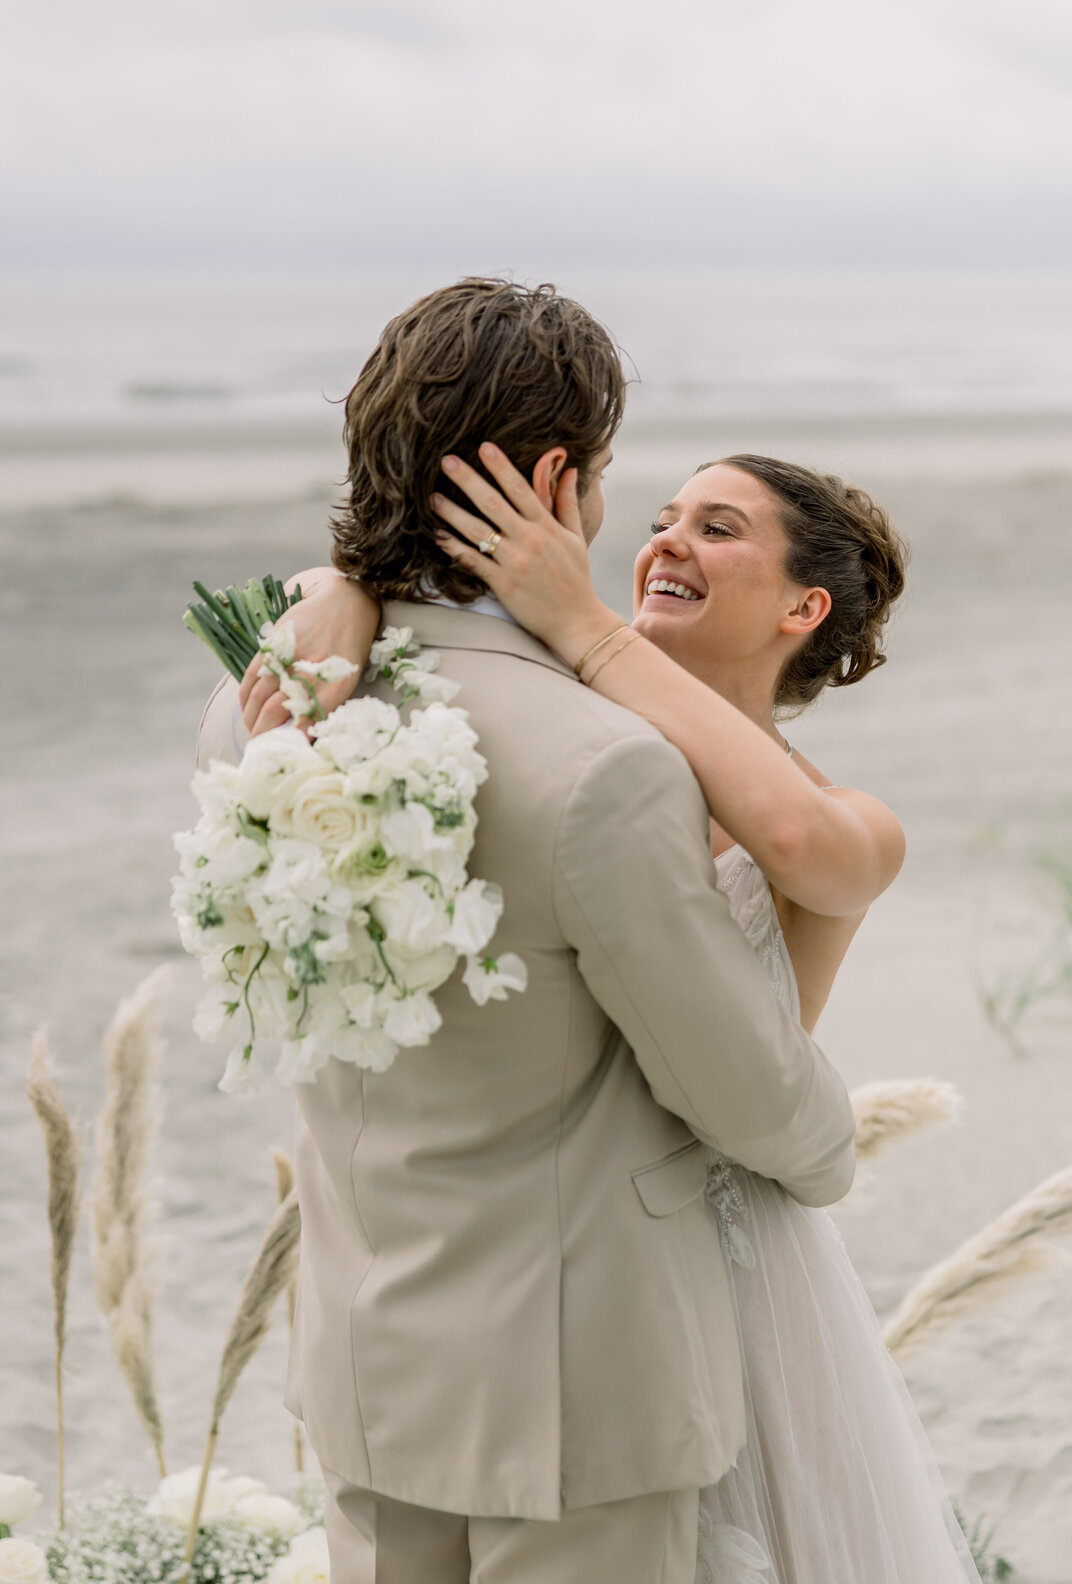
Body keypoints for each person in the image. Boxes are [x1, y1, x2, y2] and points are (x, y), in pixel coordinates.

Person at [196, 278, 858, 1584]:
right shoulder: (602, 767)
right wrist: (831, 1150)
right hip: (575, 1410)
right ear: (562, 481)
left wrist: (345, 577)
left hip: (367, 1368)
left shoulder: (260, 708)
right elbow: (743, 1088)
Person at [250, 437, 982, 1580]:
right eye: (662, 516)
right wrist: (341, 600)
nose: (664, 542)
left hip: (716, 1254)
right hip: (527, 1272)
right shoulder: (579, 744)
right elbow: (353, 585)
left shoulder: (850, 822)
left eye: (718, 528)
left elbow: (794, 844)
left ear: (806, 606)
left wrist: (584, 625)